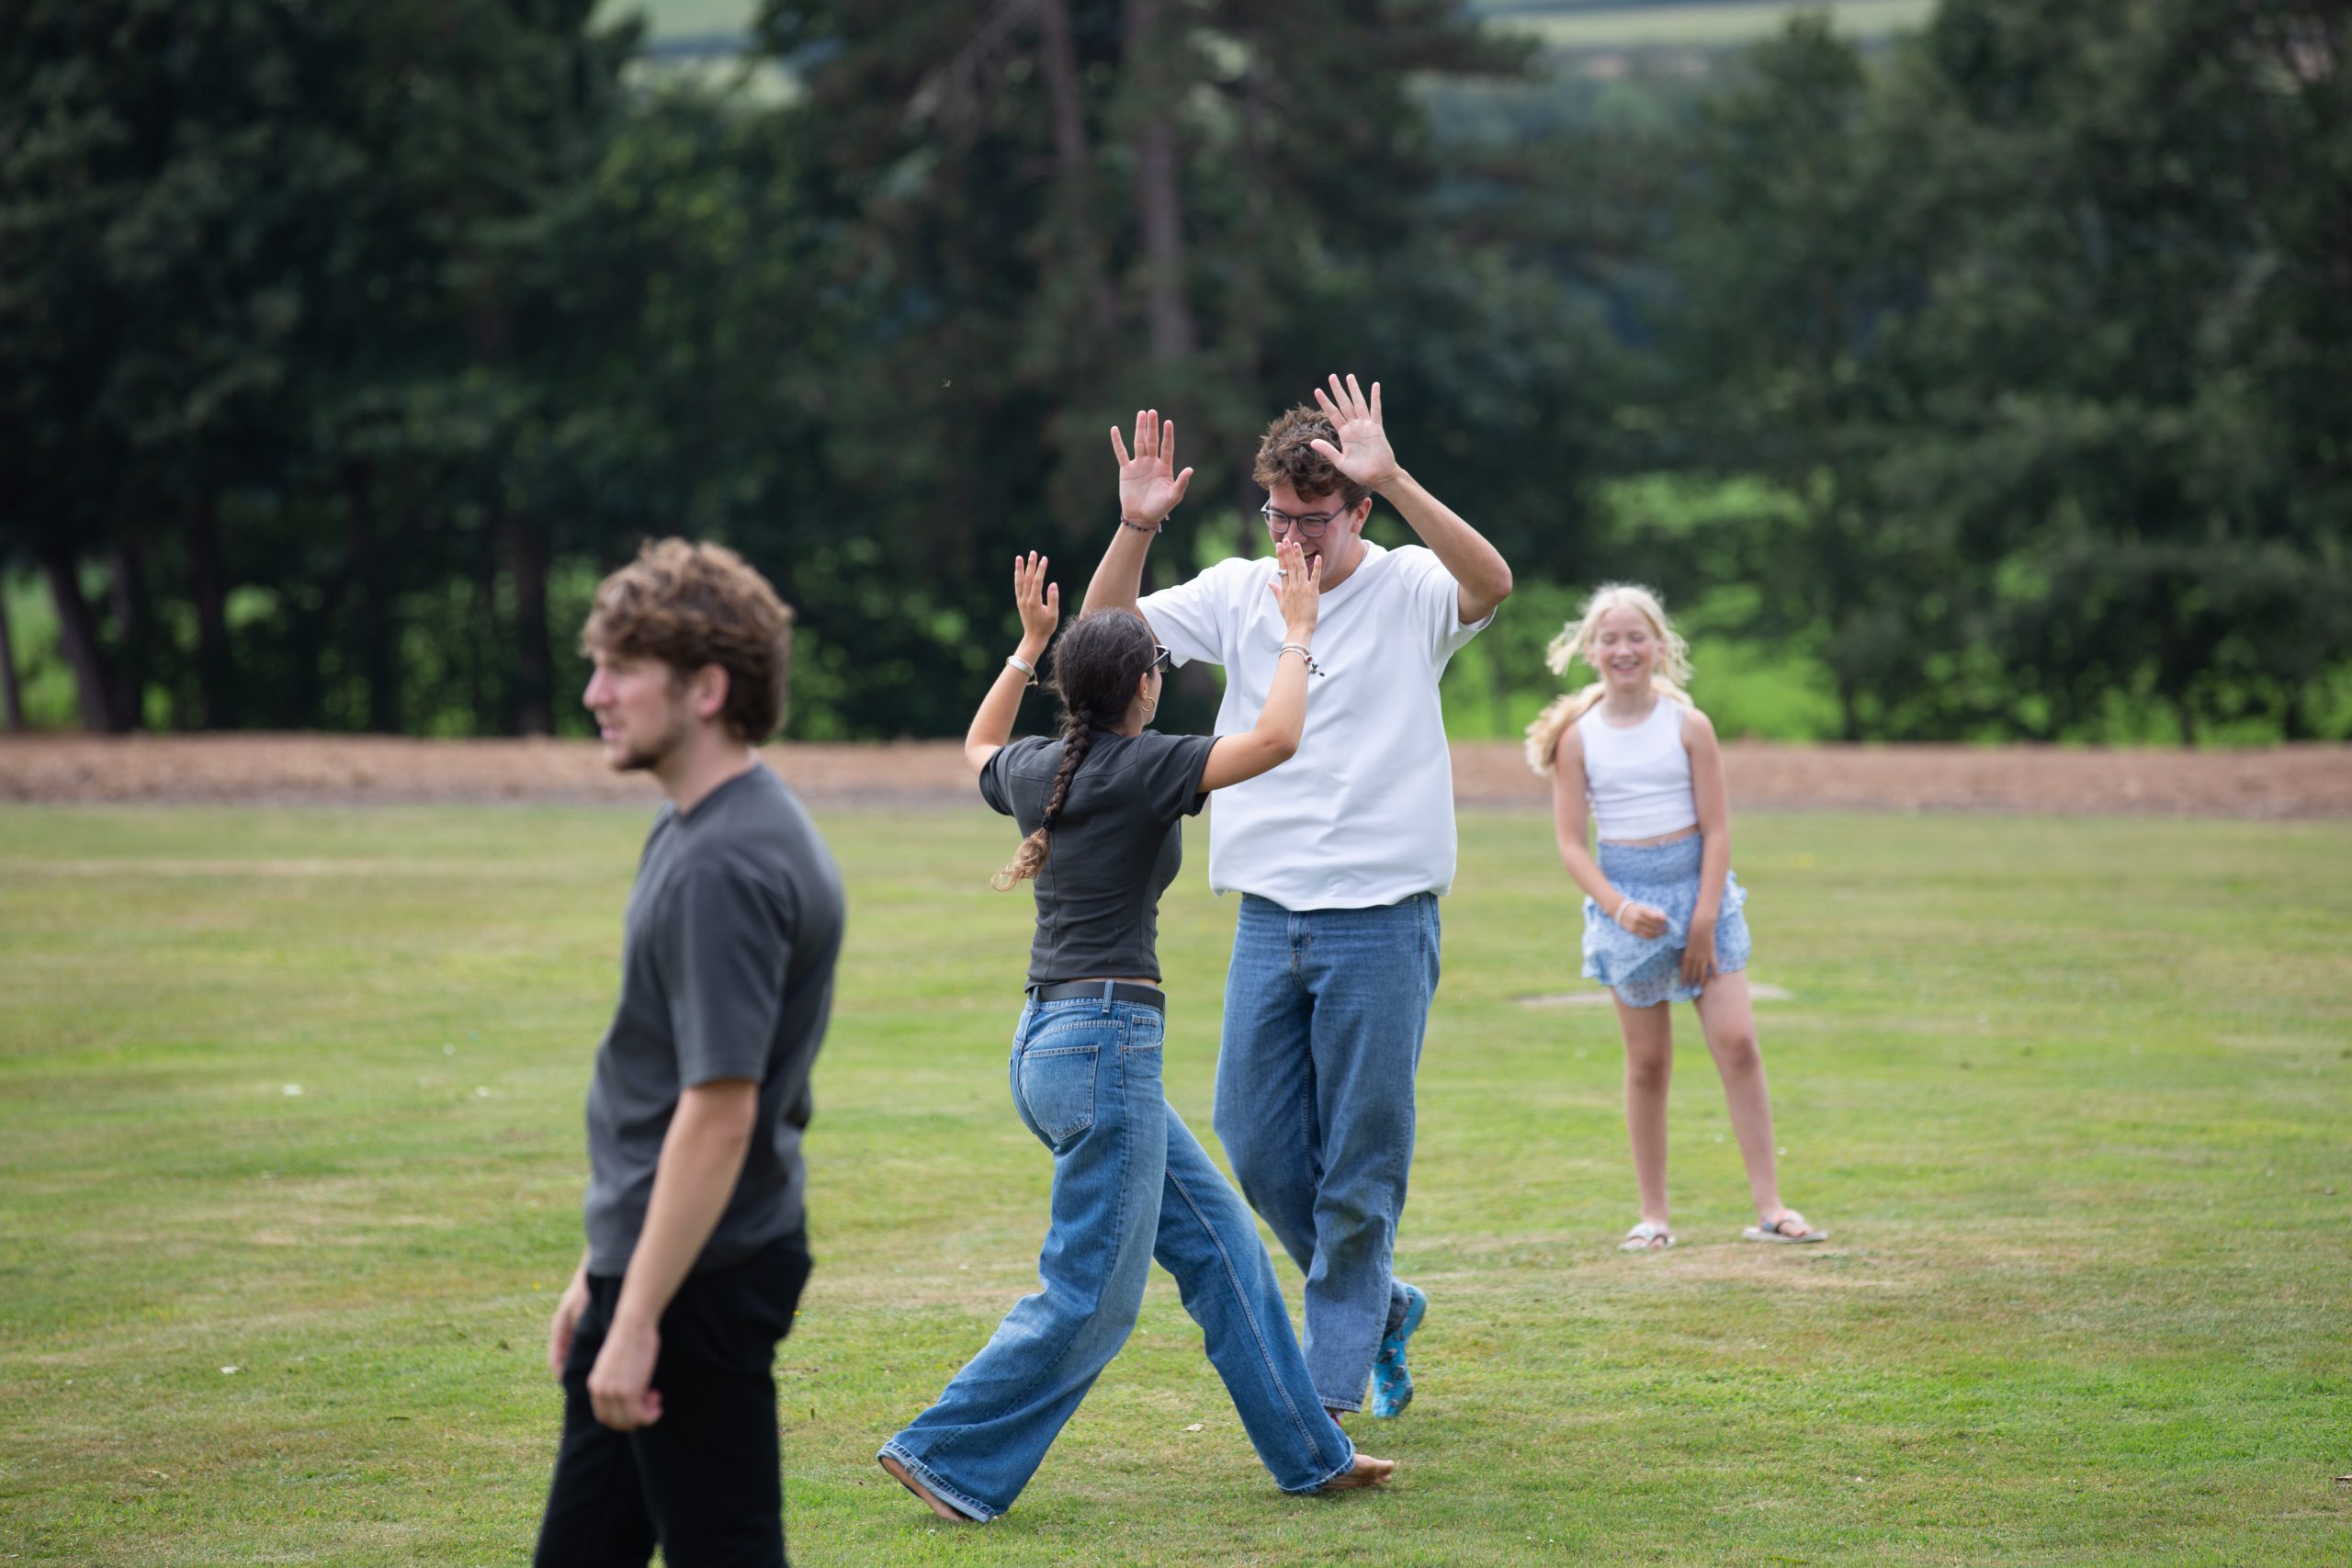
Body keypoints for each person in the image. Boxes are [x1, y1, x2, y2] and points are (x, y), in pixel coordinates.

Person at [877, 547, 1393, 1524]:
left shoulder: (1040, 768)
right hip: (1105, 1047)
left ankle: (1310, 1454)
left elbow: (977, 744)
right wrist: (1299, 630)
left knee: (1222, 1246)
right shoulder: (1150, 764)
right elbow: (1278, 738)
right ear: (1145, 687)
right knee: (1092, 1296)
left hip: (1049, 1046)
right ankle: (942, 1454)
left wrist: (1027, 645)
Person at [1082, 378, 1513, 1420]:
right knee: (1255, 1139)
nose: (1291, 538)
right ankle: (1380, 1303)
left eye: (1312, 518)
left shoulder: (1410, 586)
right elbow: (1100, 638)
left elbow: (1492, 581)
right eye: (1277, 515)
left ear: (1357, 509)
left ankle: (1326, 1403)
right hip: (1267, 914)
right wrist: (1136, 528)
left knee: (1362, 1164)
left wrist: (1395, 476)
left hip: (1383, 918)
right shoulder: (1240, 590)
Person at [534, 539, 844, 1568]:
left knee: (726, 1548)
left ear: (706, 690)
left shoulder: (725, 863)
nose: (595, 694)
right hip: (667, 1261)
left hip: (701, 1278)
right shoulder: (703, 827)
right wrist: (602, 1271)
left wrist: (637, 1319)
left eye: (622, 669)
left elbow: (717, 1114)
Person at [1525, 582, 1827, 1252]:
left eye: (1637, 637)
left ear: (1660, 647)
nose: (1624, 649)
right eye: (1610, 639)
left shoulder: (1690, 726)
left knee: (1739, 1044)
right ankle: (1654, 1217)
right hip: (1628, 911)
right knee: (1648, 1064)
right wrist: (1620, 907)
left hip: (1703, 902)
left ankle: (1771, 1208)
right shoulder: (1578, 738)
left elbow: (1718, 831)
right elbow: (1572, 845)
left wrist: (1704, 920)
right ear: (1590, 650)